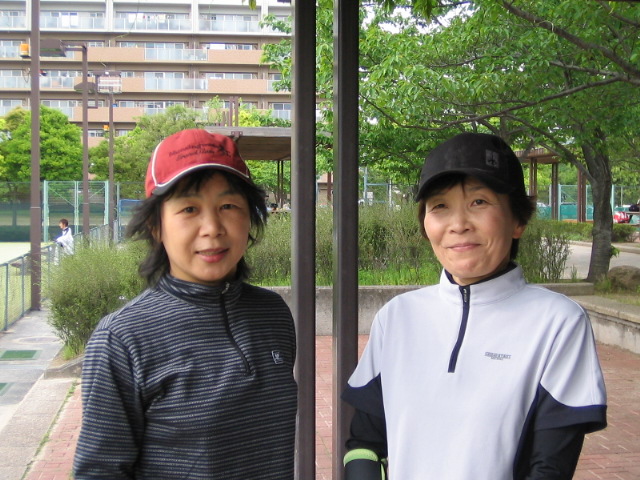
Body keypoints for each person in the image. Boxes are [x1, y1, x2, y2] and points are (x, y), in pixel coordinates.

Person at [342, 132, 607, 480]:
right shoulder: (396, 317)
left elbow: (549, 468)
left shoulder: (558, 323)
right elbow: (365, 443)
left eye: (479, 202)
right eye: (440, 206)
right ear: (425, 224)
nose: (458, 225)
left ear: (518, 220)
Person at [73, 129, 297, 479]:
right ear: (156, 225)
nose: (212, 228)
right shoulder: (122, 339)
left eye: (228, 206)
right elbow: (99, 471)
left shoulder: (273, 313)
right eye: (189, 209)